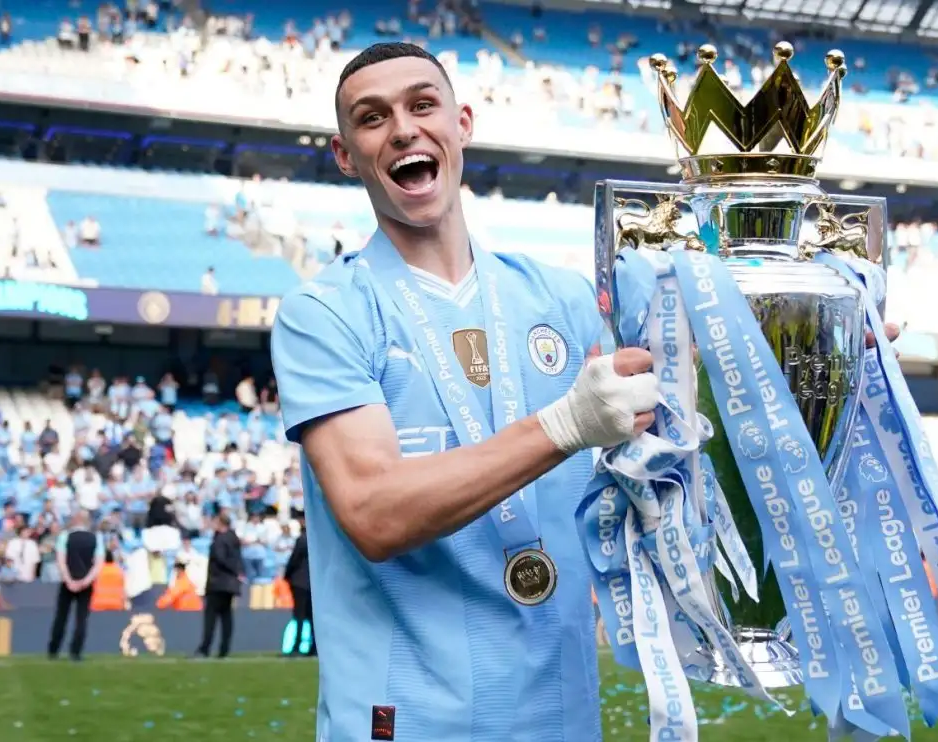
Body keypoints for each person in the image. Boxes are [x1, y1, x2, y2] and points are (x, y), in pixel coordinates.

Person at [270, 42, 662, 742]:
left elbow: (681, 403)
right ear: (344, 154)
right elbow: (373, 511)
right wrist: (564, 425)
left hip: (561, 719)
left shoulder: (562, 300)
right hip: (408, 721)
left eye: (423, 105)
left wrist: (804, 347)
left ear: (462, 123)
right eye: (372, 118)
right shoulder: (324, 313)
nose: (402, 129)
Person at [48, 512, 104, 661]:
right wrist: (86, 581)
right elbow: (98, 564)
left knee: (61, 617)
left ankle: (54, 650)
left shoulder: (65, 536)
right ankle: (76, 652)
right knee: (81, 618)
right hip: (86, 583)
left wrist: (68, 580)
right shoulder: (96, 538)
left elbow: (61, 561)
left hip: (68, 582)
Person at [193, 512, 244, 659]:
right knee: (226, 616)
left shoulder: (220, 540)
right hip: (230, 584)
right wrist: (237, 573)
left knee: (211, 617)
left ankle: (205, 648)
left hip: (218, 583)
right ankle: (224, 649)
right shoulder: (234, 538)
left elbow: (221, 558)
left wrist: (233, 570)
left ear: (220, 523)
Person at [282, 516, 313, 657]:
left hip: (300, 582)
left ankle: (297, 646)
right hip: (313, 583)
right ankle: (313, 648)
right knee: (312, 616)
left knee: (299, 615)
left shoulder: (302, 540)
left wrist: (287, 575)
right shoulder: (317, 540)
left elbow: (294, 560)